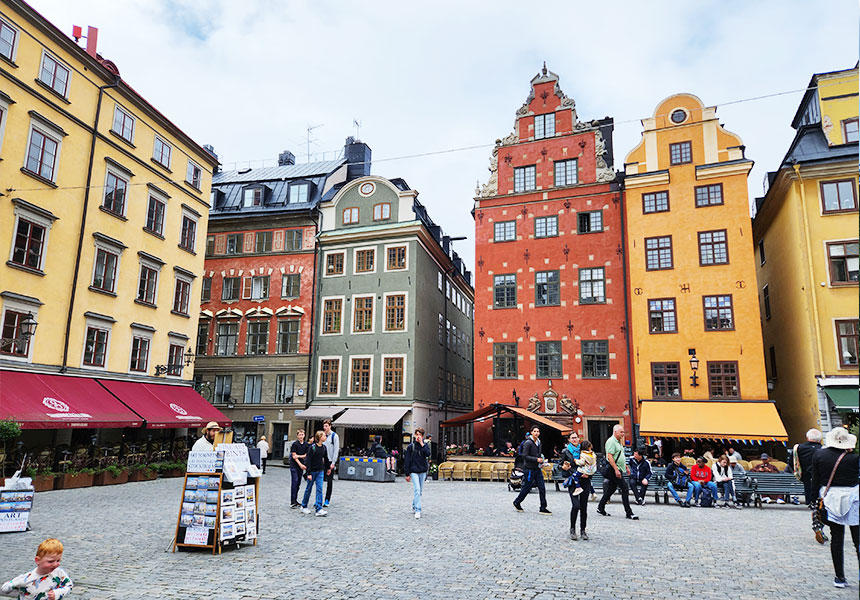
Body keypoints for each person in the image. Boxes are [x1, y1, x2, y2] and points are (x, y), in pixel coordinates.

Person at [811, 426, 859, 588]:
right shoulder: (854, 458)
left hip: (830, 496)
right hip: (853, 497)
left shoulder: (819, 455)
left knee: (836, 539)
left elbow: (815, 479)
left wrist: (813, 500)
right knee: (857, 539)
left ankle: (840, 577)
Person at [1, 538, 73, 599]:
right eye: (50, 561)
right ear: (38, 560)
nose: (55, 564)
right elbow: (5, 589)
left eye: (58, 560)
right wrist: (11, 584)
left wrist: (58, 593)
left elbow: (69, 586)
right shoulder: (26, 579)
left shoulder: (59, 573)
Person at [596, 424, 638, 519]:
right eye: (621, 432)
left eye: (623, 432)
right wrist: (616, 470)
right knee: (625, 488)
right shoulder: (611, 441)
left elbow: (619, 456)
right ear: (615, 432)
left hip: (617, 468)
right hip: (613, 469)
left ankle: (600, 507)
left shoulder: (618, 442)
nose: (623, 434)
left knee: (612, 489)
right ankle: (629, 512)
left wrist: (626, 466)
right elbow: (610, 456)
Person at [794, 428, 827, 543]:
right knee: (823, 505)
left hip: (808, 481)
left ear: (807, 438)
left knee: (814, 505)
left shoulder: (799, 448)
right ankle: (819, 527)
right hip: (822, 481)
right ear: (819, 439)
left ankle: (817, 527)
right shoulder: (823, 450)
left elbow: (793, 464)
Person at [512, 426, 551, 515]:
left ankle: (543, 507)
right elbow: (524, 456)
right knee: (527, 487)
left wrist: (541, 461)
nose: (536, 433)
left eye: (538, 431)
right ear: (531, 432)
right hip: (529, 469)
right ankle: (517, 502)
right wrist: (536, 459)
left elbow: (538, 455)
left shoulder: (539, 442)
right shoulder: (528, 443)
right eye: (535, 431)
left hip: (537, 468)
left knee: (542, 488)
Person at [560, 434, 592, 540]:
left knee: (584, 507)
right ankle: (572, 529)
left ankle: (583, 530)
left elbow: (592, 464)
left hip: (585, 481)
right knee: (576, 505)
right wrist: (563, 467)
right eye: (572, 438)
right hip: (573, 481)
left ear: (579, 439)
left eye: (576, 437)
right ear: (569, 440)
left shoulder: (584, 450)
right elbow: (560, 465)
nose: (574, 439)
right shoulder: (566, 451)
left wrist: (588, 474)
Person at [403, 427, 432, 519]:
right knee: (417, 490)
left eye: (420, 435)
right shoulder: (411, 447)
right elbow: (407, 460)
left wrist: (422, 444)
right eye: (417, 434)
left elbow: (428, 454)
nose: (418, 436)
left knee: (420, 491)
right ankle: (418, 510)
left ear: (422, 436)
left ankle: (414, 504)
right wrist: (407, 474)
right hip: (414, 471)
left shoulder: (425, 445)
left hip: (422, 471)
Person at [301, 431, 329, 517]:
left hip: (320, 471)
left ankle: (319, 508)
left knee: (319, 489)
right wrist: (308, 473)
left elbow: (326, 459)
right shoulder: (312, 448)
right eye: (324, 435)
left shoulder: (324, 447)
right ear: (320, 437)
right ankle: (303, 505)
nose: (325, 436)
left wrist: (328, 469)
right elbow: (308, 461)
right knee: (308, 488)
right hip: (312, 472)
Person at [289, 429, 310, 508]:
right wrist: (300, 464)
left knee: (298, 483)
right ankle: (292, 501)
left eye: (302, 434)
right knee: (295, 481)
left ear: (304, 435)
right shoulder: (295, 444)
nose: (301, 436)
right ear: (297, 436)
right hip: (294, 465)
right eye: (300, 435)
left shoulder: (306, 445)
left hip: (301, 466)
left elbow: (306, 455)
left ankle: (295, 500)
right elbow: (294, 456)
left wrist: (299, 456)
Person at [321, 419, 339, 507]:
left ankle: (327, 499)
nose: (325, 428)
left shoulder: (334, 436)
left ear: (330, 426)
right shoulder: (322, 436)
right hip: (322, 461)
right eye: (324, 426)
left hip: (330, 461)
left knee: (329, 482)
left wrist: (333, 462)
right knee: (319, 481)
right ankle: (319, 499)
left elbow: (336, 450)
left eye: (326, 426)